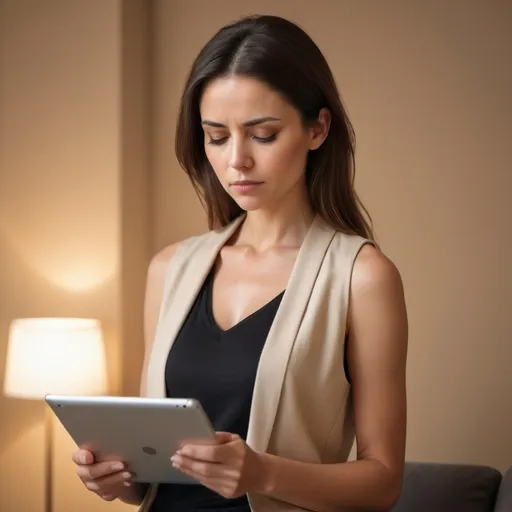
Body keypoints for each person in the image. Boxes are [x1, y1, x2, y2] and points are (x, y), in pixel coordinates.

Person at [71, 14, 408, 512]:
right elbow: (154, 475)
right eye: (217, 136)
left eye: (263, 134)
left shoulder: (362, 277)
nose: (237, 161)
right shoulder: (170, 269)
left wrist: (261, 472)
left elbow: (382, 483)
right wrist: (115, 477)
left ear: (318, 128)